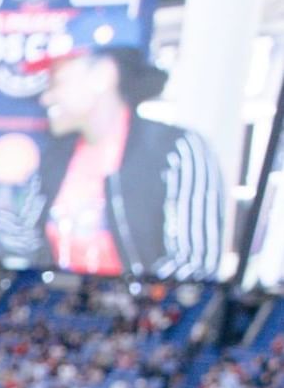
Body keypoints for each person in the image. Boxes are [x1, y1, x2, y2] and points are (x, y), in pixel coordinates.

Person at [15, 17, 225, 280]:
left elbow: (194, 264)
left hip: (139, 317)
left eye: (57, 80)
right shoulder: (54, 158)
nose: (46, 97)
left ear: (103, 75)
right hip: (56, 313)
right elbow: (25, 244)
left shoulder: (177, 150)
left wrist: (124, 306)